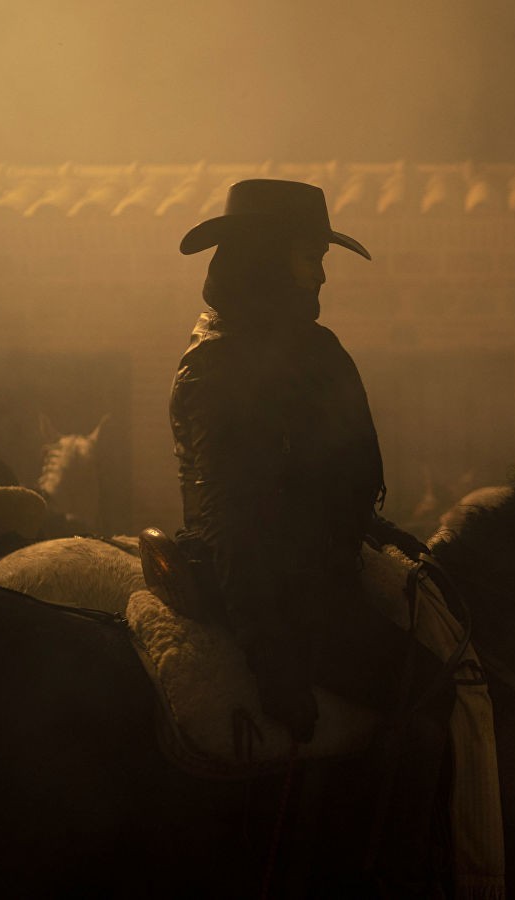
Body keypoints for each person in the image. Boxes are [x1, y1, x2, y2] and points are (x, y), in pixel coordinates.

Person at [170, 179, 423, 743]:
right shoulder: (224, 364)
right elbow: (233, 520)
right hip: (276, 592)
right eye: (312, 256)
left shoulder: (297, 347)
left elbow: (310, 478)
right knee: (432, 687)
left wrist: (378, 529)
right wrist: (272, 661)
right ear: (265, 256)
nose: (323, 273)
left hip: (314, 570)